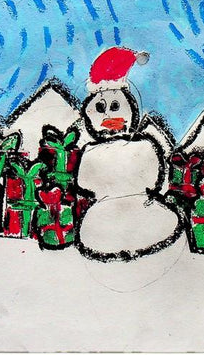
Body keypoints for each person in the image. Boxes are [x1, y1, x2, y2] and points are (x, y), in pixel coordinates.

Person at [75, 47, 182, 261]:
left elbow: (85, 183)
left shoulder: (141, 146)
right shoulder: (138, 147)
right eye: (101, 108)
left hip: (116, 217)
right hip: (107, 218)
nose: (108, 115)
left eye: (115, 106)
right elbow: (154, 180)